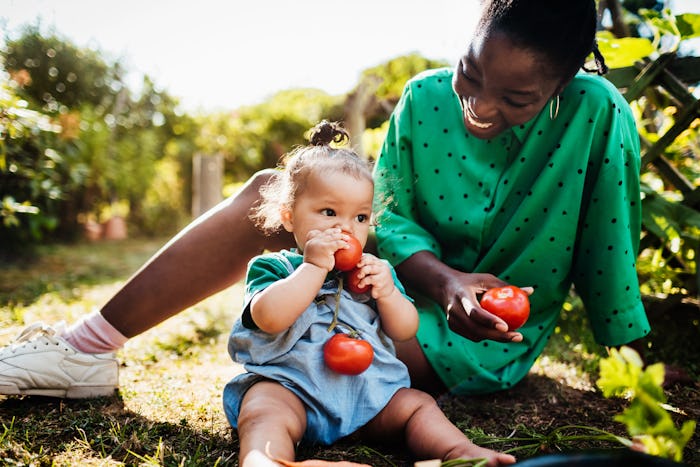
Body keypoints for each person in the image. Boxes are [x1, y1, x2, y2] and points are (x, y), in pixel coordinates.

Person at [0, 0, 650, 404]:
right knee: (269, 191)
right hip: (385, 278)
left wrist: (637, 364)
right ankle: (85, 349)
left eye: (516, 99)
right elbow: (386, 216)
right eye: (471, 73)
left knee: (348, 318)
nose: (480, 107)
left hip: (471, 341)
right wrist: (442, 277)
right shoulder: (424, 97)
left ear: (566, 82)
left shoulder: (599, 116)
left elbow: (608, 244)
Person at [226, 120, 515, 466]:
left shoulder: (374, 272)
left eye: (361, 217)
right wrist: (314, 268)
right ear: (289, 217)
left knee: (417, 406)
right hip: (291, 389)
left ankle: (461, 454)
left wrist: (389, 293)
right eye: (329, 212)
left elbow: (405, 329)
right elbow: (269, 318)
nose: (346, 227)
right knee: (262, 410)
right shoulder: (277, 268)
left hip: (366, 395)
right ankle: (266, 461)